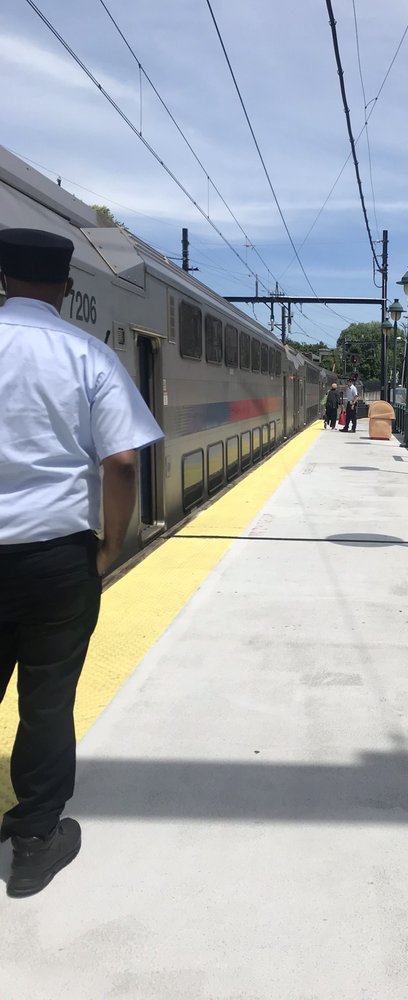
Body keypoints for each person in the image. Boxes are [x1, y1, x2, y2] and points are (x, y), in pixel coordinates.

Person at [0, 228, 163, 898]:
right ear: (66, 289)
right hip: (57, 560)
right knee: (46, 701)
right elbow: (122, 462)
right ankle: (35, 843)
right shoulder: (87, 354)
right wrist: (109, 547)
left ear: (2, 281)